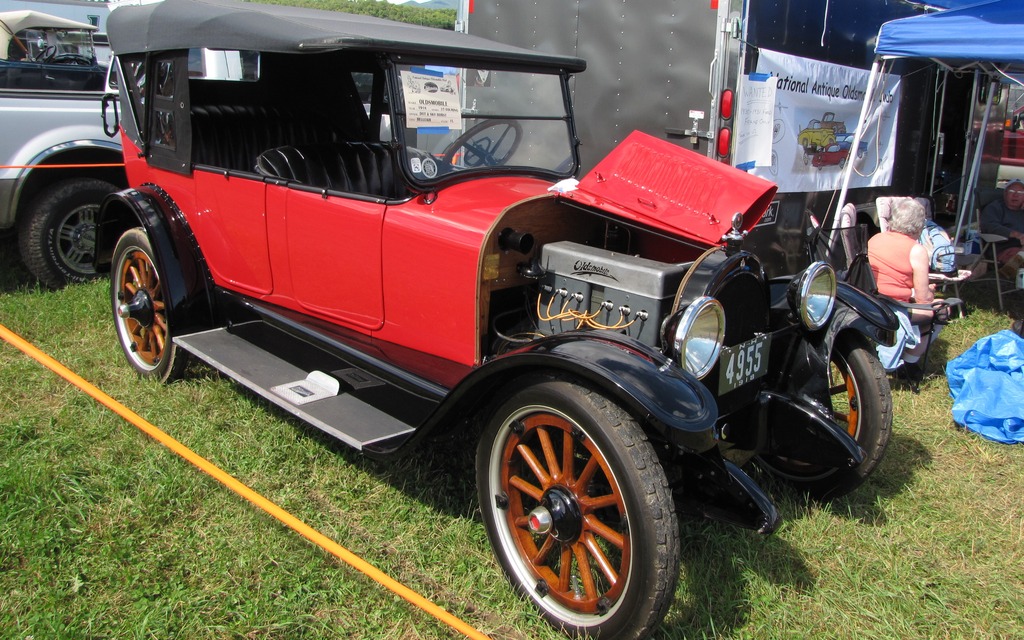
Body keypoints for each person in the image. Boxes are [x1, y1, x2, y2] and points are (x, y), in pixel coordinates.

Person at [868, 199, 945, 378]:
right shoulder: (916, 250)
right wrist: (932, 292)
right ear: (919, 224)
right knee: (941, 310)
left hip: (872, 302)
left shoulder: (875, 239)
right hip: (894, 308)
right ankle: (909, 363)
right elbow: (923, 299)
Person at [980, 178, 1024, 279]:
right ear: (1005, 193)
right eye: (1012, 191)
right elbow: (989, 226)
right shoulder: (996, 207)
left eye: (1021, 192)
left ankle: (1012, 269)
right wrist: (1015, 234)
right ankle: (1009, 271)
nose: (1016, 195)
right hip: (1002, 248)